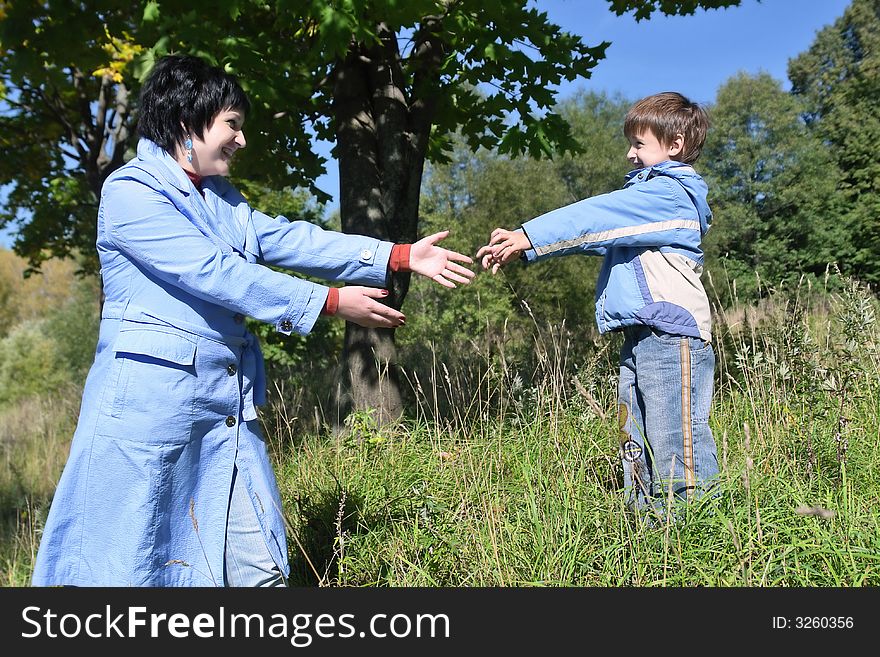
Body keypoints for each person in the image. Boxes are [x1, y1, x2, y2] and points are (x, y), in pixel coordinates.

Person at [31, 54, 475, 587]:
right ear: (183, 121)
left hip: (227, 409)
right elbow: (215, 273)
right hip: (148, 411)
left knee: (258, 564)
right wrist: (330, 304)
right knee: (131, 562)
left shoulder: (221, 198)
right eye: (232, 125)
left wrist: (397, 256)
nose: (241, 140)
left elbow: (288, 238)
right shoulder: (130, 192)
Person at [477, 92, 718, 516]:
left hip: (671, 334)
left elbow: (598, 216)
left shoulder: (669, 195)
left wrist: (527, 236)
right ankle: (647, 534)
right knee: (635, 439)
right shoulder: (647, 203)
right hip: (644, 334)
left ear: (675, 145)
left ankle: (695, 537)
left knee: (676, 440)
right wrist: (531, 248)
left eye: (639, 144)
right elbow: (598, 236)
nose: (629, 154)